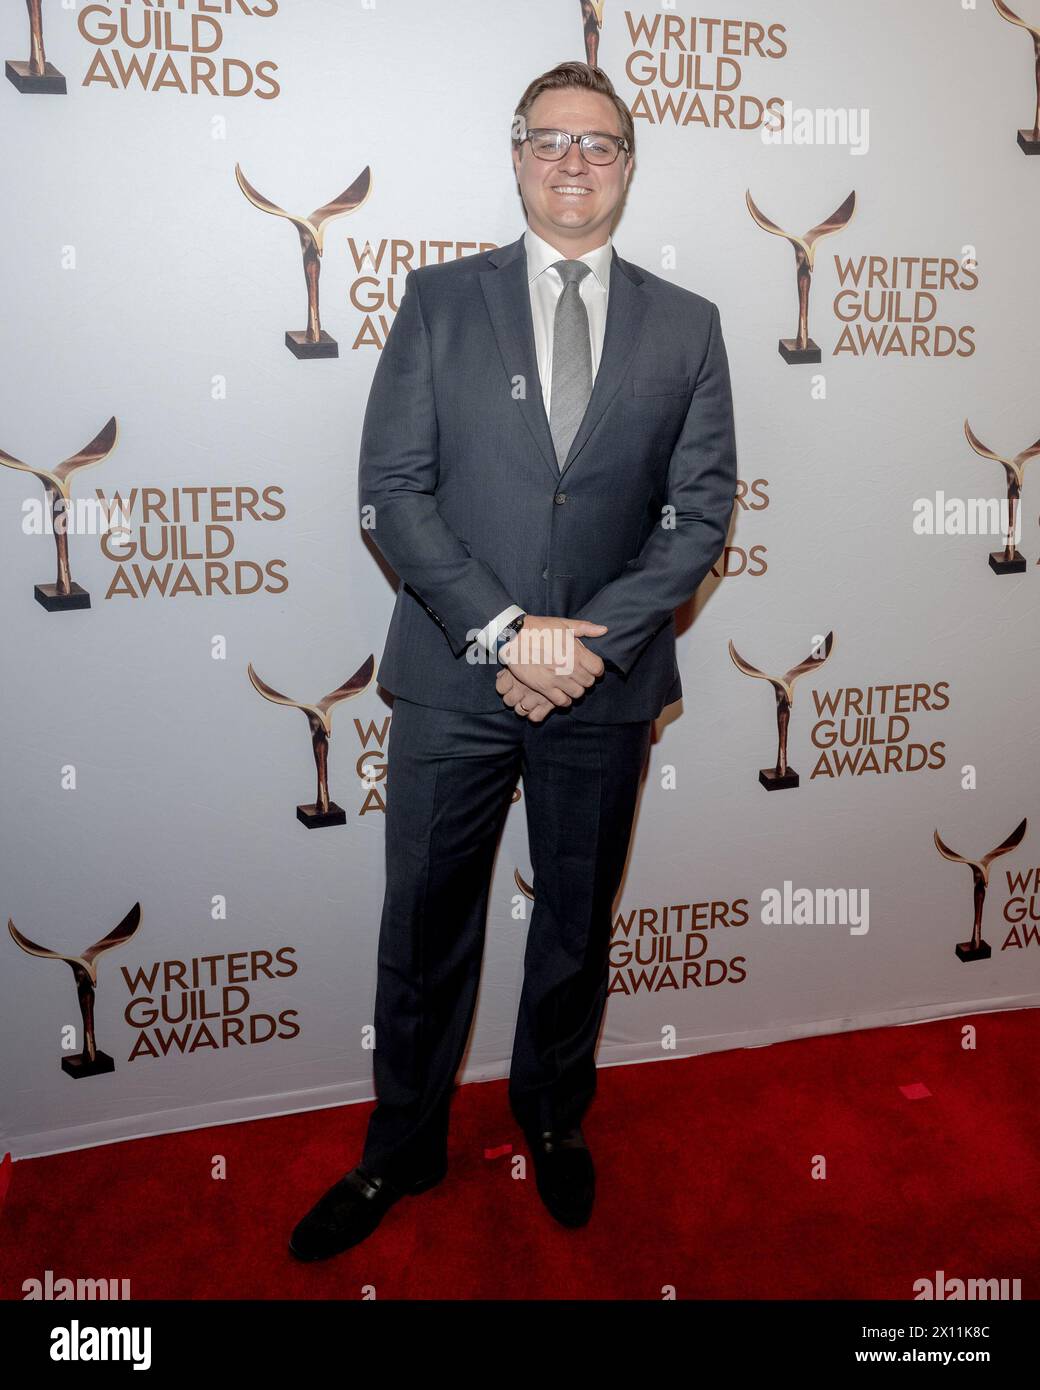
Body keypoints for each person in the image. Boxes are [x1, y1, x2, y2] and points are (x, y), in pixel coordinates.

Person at [289, 59, 737, 1261]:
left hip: (604, 687)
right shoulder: (439, 304)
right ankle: (401, 1148)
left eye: (599, 144)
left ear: (629, 166)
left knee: (575, 923)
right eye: (550, 139)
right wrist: (503, 632)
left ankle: (552, 1117)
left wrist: (580, 647)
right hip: (452, 677)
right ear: (516, 153)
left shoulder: (686, 325)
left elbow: (697, 519)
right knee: (424, 924)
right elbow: (392, 495)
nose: (573, 161)